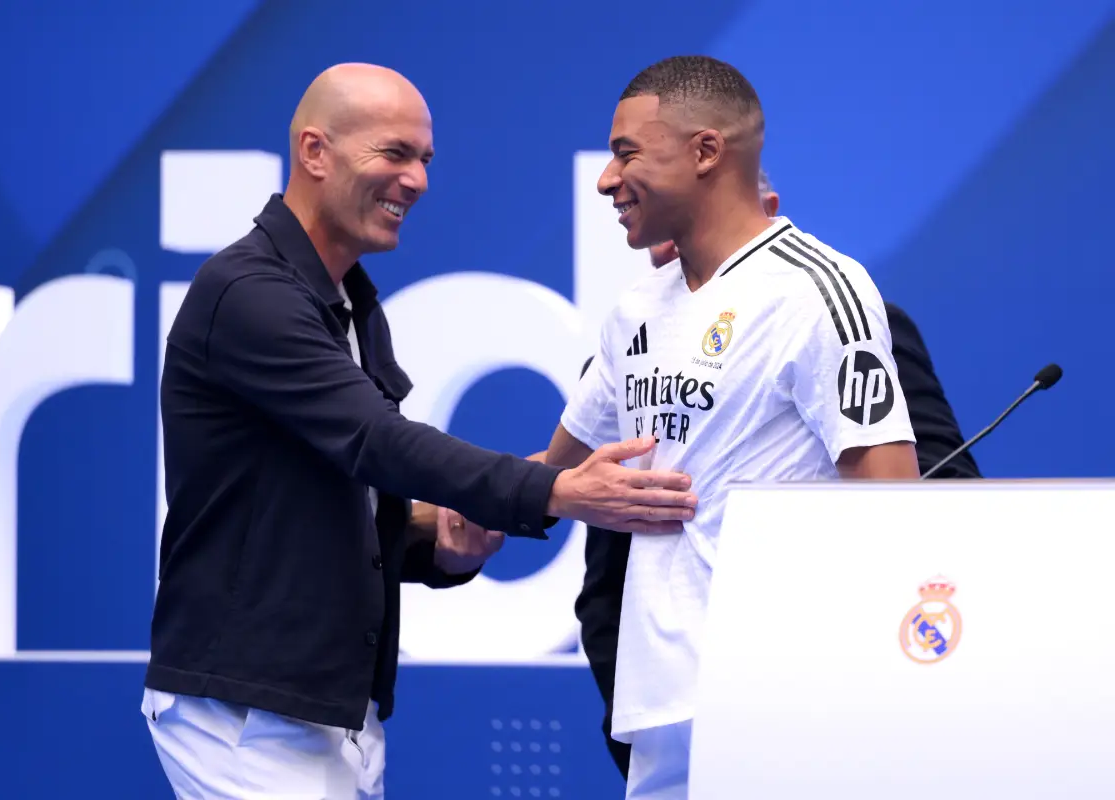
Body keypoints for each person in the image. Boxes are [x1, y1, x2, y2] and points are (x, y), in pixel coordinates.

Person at [141, 62, 699, 799]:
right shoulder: (248, 293)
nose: (418, 181)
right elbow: (377, 442)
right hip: (247, 714)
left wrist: (436, 539)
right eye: (395, 153)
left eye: (425, 159)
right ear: (314, 151)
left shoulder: (348, 302)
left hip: (331, 714)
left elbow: (327, 504)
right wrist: (554, 491)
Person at [542, 55, 920, 798]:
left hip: (785, 705)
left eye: (626, 153)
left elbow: (894, 508)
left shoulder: (817, 290)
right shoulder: (635, 311)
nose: (607, 179)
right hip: (658, 707)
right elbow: (551, 476)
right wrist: (433, 513)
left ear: (706, 151)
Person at [574, 168, 981, 780]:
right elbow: (607, 579)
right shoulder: (628, 345)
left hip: (817, 698)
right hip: (667, 723)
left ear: (763, 210)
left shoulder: (840, 316)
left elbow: (945, 492)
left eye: (690, 223)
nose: (674, 250)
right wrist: (638, 731)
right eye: (665, 235)